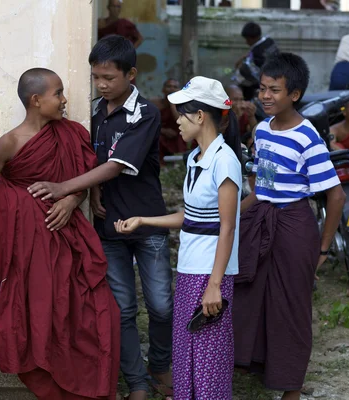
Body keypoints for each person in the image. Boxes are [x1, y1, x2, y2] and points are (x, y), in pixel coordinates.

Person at [27, 35, 173, 400]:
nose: (102, 85)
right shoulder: (94, 112)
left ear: (132, 75)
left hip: (148, 222)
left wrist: (64, 188)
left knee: (160, 304)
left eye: (109, 78)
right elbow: (89, 161)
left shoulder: (147, 114)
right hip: (108, 227)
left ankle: (160, 365)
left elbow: (114, 166)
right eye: (96, 77)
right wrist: (88, 193)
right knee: (121, 308)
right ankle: (137, 382)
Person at [0, 68, 120, 400]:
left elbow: (84, 181)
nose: (64, 101)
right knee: (40, 310)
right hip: (28, 246)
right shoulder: (8, 144)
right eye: (58, 94)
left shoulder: (73, 133)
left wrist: (72, 201)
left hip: (69, 238)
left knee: (93, 309)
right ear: (36, 100)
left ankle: (88, 385)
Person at [115, 77, 242, 399]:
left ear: (200, 116)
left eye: (182, 115)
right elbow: (191, 217)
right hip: (189, 270)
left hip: (209, 274)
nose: (177, 122)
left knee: (208, 357)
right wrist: (143, 220)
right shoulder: (195, 159)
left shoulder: (224, 160)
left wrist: (214, 284)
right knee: (187, 353)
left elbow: (227, 227)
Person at [235, 53, 346, 400]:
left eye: (275, 90)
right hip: (262, 217)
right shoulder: (263, 129)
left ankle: (292, 387)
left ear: (294, 94)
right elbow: (260, 184)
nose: (265, 96)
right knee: (250, 295)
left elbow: (337, 196)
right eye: (263, 89)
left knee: (292, 307)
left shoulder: (307, 137)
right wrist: (233, 218)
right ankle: (258, 364)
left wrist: (323, 249)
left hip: (294, 225)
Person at [235, 22, 279, 100]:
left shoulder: (257, 52)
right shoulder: (269, 41)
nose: (246, 42)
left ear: (252, 38)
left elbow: (253, 73)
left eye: (247, 39)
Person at [152, 78, 189, 161]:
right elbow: (148, 124)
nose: (172, 89)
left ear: (179, 90)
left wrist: (172, 103)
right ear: (163, 89)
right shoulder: (156, 104)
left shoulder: (183, 105)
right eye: (169, 86)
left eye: (175, 87)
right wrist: (163, 131)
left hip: (177, 135)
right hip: (160, 134)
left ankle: (178, 165)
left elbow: (179, 121)